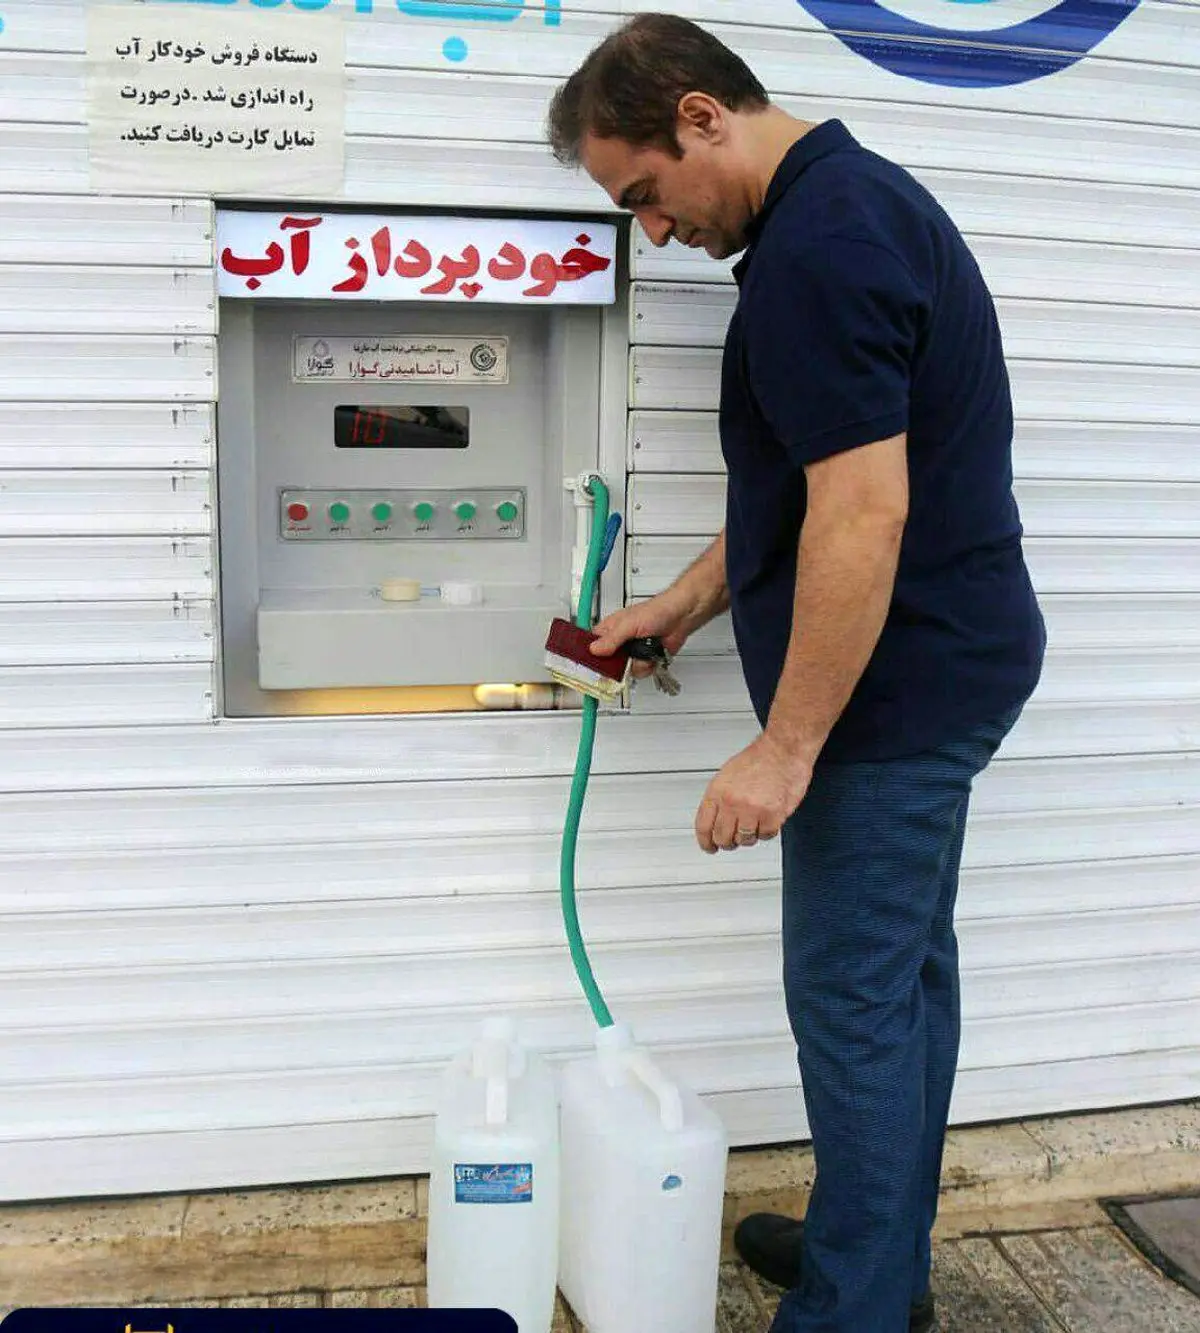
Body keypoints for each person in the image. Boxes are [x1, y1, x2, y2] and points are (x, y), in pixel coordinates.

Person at [547, 13, 1046, 1333]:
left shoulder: (822, 250)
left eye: (644, 195)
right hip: (950, 664)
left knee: (855, 1004)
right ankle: (874, 1256)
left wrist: (787, 747)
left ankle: (857, 1306)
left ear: (701, 114)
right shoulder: (847, 212)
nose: (655, 231)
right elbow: (811, 483)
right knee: (902, 981)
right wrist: (683, 606)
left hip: (896, 698)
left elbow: (863, 516)